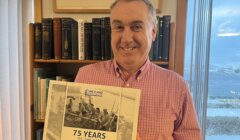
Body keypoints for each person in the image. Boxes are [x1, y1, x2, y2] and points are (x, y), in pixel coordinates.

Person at [75, 0, 202, 139]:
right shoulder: (85, 76)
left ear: (153, 32)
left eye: (136, 27)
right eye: (118, 27)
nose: (127, 38)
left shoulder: (177, 86)